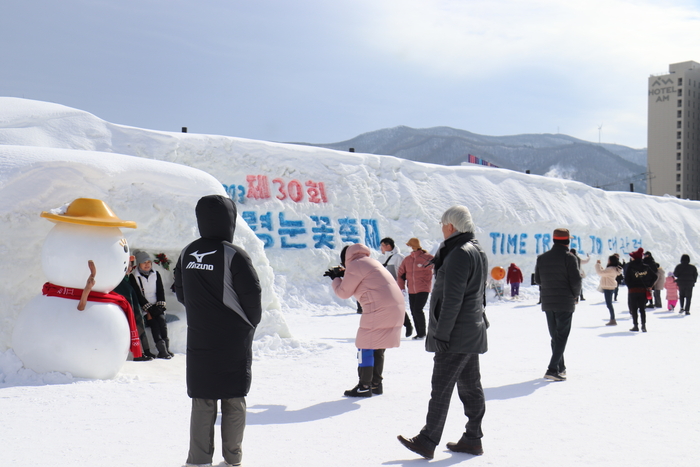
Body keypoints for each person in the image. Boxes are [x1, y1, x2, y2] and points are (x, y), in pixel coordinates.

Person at [173, 195, 262, 467]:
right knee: (234, 397)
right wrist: (247, 324)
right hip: (233, 338)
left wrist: (202, 312)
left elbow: (181, 292)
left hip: (200, 335)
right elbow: (252, 297)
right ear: (230, 219)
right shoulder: (233, 254)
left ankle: (198, 460)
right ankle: (232, 460)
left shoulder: (188, 252)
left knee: (203, 398)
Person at [398, 205, 489, 459]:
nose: (441, 229)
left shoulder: (459, 252)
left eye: (442, 225)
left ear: (450, 226)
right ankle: (473, 438)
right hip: (470, 328)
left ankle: (428, 440)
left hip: (457, 332)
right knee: (470, 386)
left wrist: (442, 334)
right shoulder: (476, 249)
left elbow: (453, 299)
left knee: (441, 386)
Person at [327, 243, 404, 397]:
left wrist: (335, 278)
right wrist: (345, 273)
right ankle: (376, 384)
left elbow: (343, 292)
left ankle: (364, 386)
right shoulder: (370, 262)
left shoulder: (355, 265)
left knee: (365, 345)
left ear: (346, 258)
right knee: (378, 345)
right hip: (396, 307)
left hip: (379, 309)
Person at [534, 228, 581, 381]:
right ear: (567, 241)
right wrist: (575, 295)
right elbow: (576, 281)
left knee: (555, 336)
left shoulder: (542, 258)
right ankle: (552, 369)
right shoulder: (570, 258)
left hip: (548, 301)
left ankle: (561, 367)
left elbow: (538, 280)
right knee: (561, 336)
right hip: (565, 301)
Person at [130, 250, 172, 359]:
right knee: (154, 324)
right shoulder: (134, 277)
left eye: (149, 262)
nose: (147, 265)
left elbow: (160, 291)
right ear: (139, 264)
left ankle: (166, 349)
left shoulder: (156, 274)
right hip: (145, 308)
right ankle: (162, 350)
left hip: (157, 306)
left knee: (162, 322)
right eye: (144, 262)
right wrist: (149, 309)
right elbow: (138, 295)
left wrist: (160, 306)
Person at [113, 254, 155, 361]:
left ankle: (145, 351)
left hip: (133, 308)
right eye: (127, 265)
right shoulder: (119, 280)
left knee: (139, 327)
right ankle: (138, 354)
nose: (129, 268)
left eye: (130, 266)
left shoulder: (128, 279)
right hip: (125, 310)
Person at [397, 238, 434, 340]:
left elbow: (439, 267)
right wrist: (402, 287)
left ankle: (422, 333)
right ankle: (419, 333)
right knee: (413, 310)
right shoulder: (407, 259)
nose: (410, 247)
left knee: (417, 309)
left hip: (423, 288)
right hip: (412, 289)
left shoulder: (427, 258)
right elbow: (400, 274)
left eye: (410, 245)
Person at [380, 237, 411, 336]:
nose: (381, 248)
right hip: (384, 287)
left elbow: (402, 272)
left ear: (388, 246)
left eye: (382, 246)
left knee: (396, 307)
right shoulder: (382, 258)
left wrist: (401, 286)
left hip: (395, 287)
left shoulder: (398, 257)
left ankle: (408, 325)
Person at [625, 248, 657, 332]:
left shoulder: (630, 267)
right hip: (643, 290)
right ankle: (643, 326)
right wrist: (649, 285)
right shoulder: (646, 267)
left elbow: (626, 279)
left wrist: (630, 286)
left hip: (633, 291)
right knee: (642, 309)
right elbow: (655, 276)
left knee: (634, 308)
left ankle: (635, 325)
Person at [595, 255, 622, 326]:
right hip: (610, 286)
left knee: (609, 304)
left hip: (608, 287)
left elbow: (600, 273)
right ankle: (612, 319)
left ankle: (613, 319)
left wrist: (598, 265)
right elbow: (604, 272)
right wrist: (600, 266)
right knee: (609, 304)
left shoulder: (611, 269)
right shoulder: (613, 269)